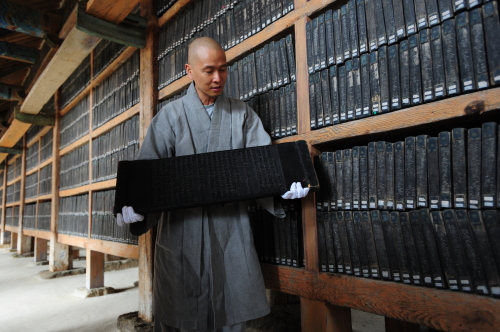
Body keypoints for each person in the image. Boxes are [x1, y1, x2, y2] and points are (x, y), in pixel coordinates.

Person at [116, 37, 309, 332]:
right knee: (181, 313)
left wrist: (283, 188)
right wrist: (136, 207)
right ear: (189, 70)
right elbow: (147, 176)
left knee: (234, 312)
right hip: (182, 231)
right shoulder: (169, 117)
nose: (218, 78)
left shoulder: (241, 114)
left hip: (230, 229)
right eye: (209, 70)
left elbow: (264, 163)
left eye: (223, 69)